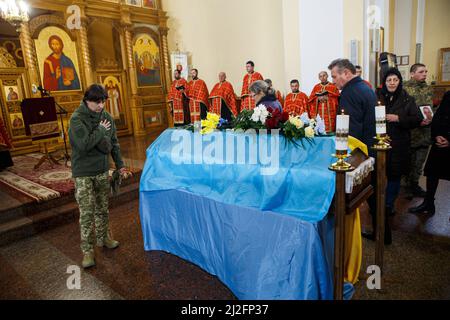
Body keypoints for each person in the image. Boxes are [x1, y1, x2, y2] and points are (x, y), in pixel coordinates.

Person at [68, 84, 130, 268]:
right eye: (97, 102)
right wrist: (101, 131)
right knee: (86, 213)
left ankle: (104, 238)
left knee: (102, 209)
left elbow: (114, 143)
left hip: (102, 171)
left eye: (103, 101)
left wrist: (120, 166)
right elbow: (84, 145)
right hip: (84, 173)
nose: (101, 106)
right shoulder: (77, 119)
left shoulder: (107, 117)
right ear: (87, 100)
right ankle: (87, 251)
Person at [363, 68, 421, 244]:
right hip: (378, 143)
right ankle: (377, 205)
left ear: (399, 81)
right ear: (384, 82)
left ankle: (388, 205)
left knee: (394, 176)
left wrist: (399, 118)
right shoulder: (376, 97)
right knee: (378, 175)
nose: (392, 83)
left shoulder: (406, 98)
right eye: (389, 80)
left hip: (398, 144)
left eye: (395, 80)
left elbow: (417, 118)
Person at [409, 91, 450, 215]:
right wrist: (437, 135)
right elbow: (438, 116)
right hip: (440, 142)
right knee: (432, 174)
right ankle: (428, 204)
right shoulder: (448, 95)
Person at [328, 58, 376, 149]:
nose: (333, 82)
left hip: (358, 151)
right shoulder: (365, 87)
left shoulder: (349, 93)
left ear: (346, 73)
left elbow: (351, 129)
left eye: (334, 77)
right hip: (370, 146)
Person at [403, 63, 434, 198]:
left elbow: (431, 107)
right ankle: (406, 186)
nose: (425, 74)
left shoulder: (428, 89)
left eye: (426, 72)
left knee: (420, 161)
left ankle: (415, 184)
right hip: (411, 132)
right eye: (421, 72)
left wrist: (432, 117)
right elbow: (402, 110)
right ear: (412, 74)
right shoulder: (404, 88)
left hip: (425, 132)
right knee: (408, 160)